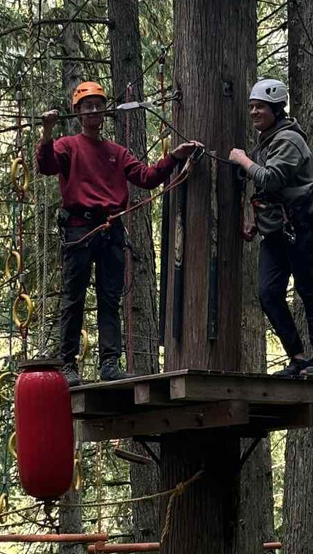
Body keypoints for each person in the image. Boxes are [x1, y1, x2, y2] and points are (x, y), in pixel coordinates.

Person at [36, 81, 200, 385]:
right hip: (79, 229)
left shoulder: (116, 152)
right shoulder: (67, 145)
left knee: (109, 298)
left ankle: (109, 363)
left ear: (105, 111)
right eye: (88, 106)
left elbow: (147, 177)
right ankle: (68, 365)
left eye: (99, 105)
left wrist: (174, 157)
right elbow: (45, 166)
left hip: (110, 229)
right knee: (74, 298)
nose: (94, 111)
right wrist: (47, 132)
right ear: (78, 113)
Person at [229, 78, 313, 378]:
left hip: (303, 225)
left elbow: (272, 179)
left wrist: (242, 160)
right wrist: (253, 218)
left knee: (310, 289)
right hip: (277, 230)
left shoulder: (289, 140)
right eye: (251, 107)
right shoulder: (268, 141)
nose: (253, 112)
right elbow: (266, 192)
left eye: (260, 107)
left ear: (276, 108)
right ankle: (298, 357)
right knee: (268, 292)